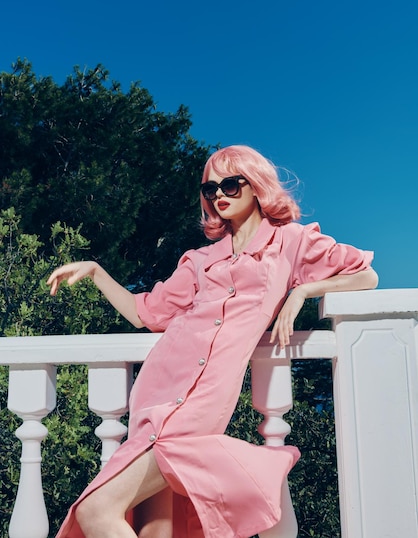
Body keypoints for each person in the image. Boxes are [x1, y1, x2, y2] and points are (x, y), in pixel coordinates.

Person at [47, 145, 378, 538]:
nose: (219, 194)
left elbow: (365, 276)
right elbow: (146, 313)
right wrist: (98, 272)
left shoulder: (290, 242)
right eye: (209, 189)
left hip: (199, 403)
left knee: (96, 510)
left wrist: (302, 291)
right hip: (156, 388)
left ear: (255, 187)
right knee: (157, 530)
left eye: (232, 184)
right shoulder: (201, 260)